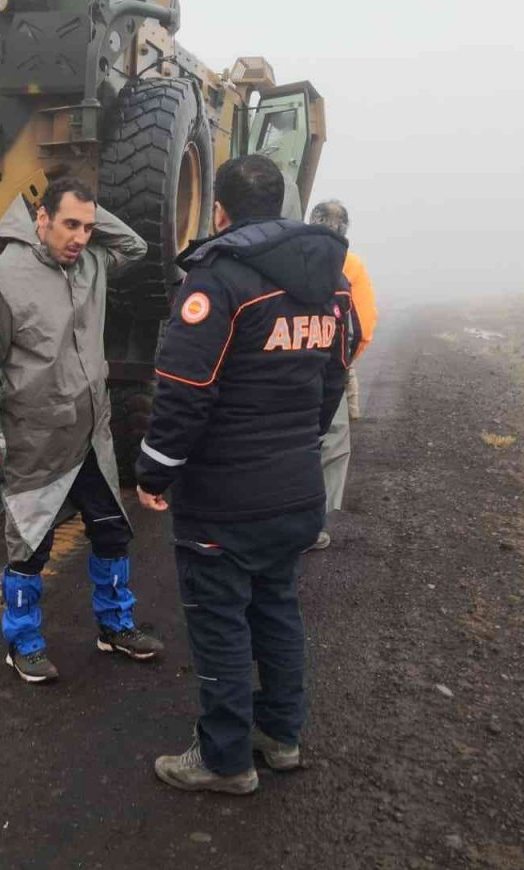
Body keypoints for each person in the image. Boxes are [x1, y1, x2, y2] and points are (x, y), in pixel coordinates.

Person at [135, 155, 349, 794]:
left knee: (221, 619)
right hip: (295, 489)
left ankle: (225, 760)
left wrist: (154, 472)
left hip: (226, 500)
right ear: (282, 204)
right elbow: (332, 380)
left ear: (219, 213)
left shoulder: (218, 282)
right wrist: (298, 443)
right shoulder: (327, 281)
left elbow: (182, 392)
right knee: (277, 608)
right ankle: (281, 737)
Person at [0, 177, 163, 684]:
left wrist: (91, 216)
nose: (80, 237)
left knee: (112, 531)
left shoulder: (92, 262)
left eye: (88, 228)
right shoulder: (1, 279)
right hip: (38, 436)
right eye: (69, 224)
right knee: (30, 543)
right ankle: (22, 642)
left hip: (93, 433)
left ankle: (115, 626)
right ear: (41, 219)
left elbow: (134, 245)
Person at [305, 199, 379, 550]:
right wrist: (344, 365)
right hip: (328, 373)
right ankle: (310, 529)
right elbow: (362, 330)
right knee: (329, 447)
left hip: (281, 367)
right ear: (345, 230)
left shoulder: (288, 253)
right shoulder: (352, 266)